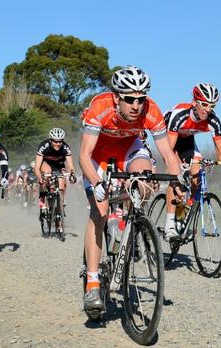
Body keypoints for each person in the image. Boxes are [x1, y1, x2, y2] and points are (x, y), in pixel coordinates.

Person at [79, 66, 182, 313]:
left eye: (140, 98)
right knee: (100, 212)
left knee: (144, 182)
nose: (136, 105)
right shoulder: (100, 106)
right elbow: (84, 155)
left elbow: (168, 154)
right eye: (129, 99)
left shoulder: (151, 111)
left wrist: (178, 182)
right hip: (97, 156)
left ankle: (128, 223)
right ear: (116, 97)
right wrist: (97, 182)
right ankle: (92, 283)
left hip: (129, 149)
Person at [163, 83, 221, 238]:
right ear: (194, 102)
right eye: (204, 104)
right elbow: (168, 151)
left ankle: (183, 216)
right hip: (168, 138)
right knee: (176, 175)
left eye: (211, 105)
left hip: (187, 140)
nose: (207, 109)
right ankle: (169, 225)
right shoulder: (180, 114)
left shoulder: (213, 121)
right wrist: (177, 167)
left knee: (197, 175)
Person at [35, 128, 76, 218]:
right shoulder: (44, 146)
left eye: (60, 141)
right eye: (55, 141)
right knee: (47, 171)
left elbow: (71, 166)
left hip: (59, 165)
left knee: (61, 187)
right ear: (50, 140)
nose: (58, 144)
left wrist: (72, 174)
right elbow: (37, 167)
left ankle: (59, 210)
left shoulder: (65, 147)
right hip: (46, 163)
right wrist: (40, 177)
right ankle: (42, 197)